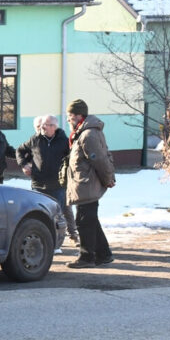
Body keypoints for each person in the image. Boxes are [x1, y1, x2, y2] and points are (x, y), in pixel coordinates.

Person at [64, 99, 116, 269]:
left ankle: (87, 257)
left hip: (87, 183)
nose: (68, 119)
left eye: (70, 115)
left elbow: (99, 159)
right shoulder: (84, 132)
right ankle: (104, 254)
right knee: (90, 219)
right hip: (85, 182)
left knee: (84, 221)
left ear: (79, 115)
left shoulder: (88, 134)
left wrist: (108, 179)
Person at [17, 114, 79, 245]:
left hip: (58, 185)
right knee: (39, 214)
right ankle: (44, 241)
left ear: (54, 127)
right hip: (38, 184)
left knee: (58, 215)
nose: (43, 127)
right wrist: (24, 165)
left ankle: (58, 243)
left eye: (46, 125)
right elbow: (20, 151)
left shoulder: (64, 141)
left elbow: (73, 159)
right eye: (42, 125)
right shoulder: (35, 139)